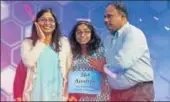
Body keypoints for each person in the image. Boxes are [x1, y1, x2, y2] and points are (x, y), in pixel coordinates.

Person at [88, 2, 154, 101]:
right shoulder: (107, 40)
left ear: (122, 17)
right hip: (116, 93)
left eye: (110, 16)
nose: (105, 20)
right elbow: (101, 61)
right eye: (105, 17)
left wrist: (103, 68)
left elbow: (122, 63)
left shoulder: (133, 33)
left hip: (138, 91)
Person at [20, 8, 72, 101]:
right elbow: (28, 62)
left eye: (51, 20)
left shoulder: (64, 42)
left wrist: (72, 93)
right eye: (43, 19)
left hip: (58, 95)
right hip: (35, 95)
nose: (47, 23)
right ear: (36, 23)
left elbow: (70, 68)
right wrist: (41, 40)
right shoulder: (27, 43)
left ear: (55, 24)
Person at [68, 20, 111, 101]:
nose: (82, 35)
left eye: (86, 32)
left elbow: (113, 73)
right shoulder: (71, 53)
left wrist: (103, 68)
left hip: (99, 97)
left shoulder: (101, 51)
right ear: (74, 34)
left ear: (92, 34)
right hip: (78, 98)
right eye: (79, 32)